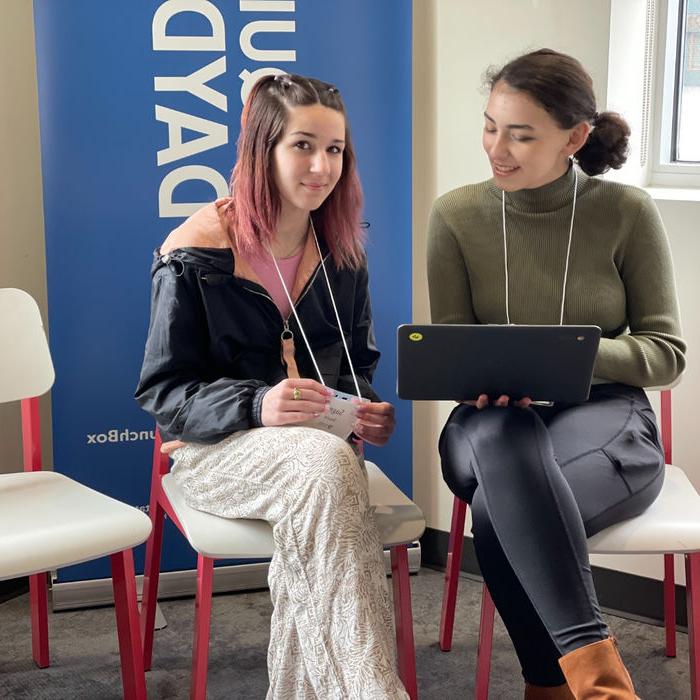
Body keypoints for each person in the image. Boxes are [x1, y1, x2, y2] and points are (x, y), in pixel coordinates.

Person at [136, 73, 407, 700]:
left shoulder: (342, 251)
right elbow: (164, 391)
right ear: (263, 148)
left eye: (335, 149)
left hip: (322, 458)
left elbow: (355, 360)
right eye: (303, 146)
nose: (322, 166)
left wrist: (360, 410)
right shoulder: (196, 252)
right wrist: (258, 403)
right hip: (213, 452)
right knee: (325, 472)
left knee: (322, 477)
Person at [427, 49, 686, 699]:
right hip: (489, 421)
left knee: (499, 508)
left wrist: (567, 355)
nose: (498, 148)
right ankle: (599, 685)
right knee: (501, 442)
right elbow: (455, 349)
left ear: (575, 137)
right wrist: (484, 374)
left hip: (607, 418)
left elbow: (665, 352)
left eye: (521, 134)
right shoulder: (455, 216)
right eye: (491, 126)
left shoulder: (625, 213)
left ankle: (548, 685)